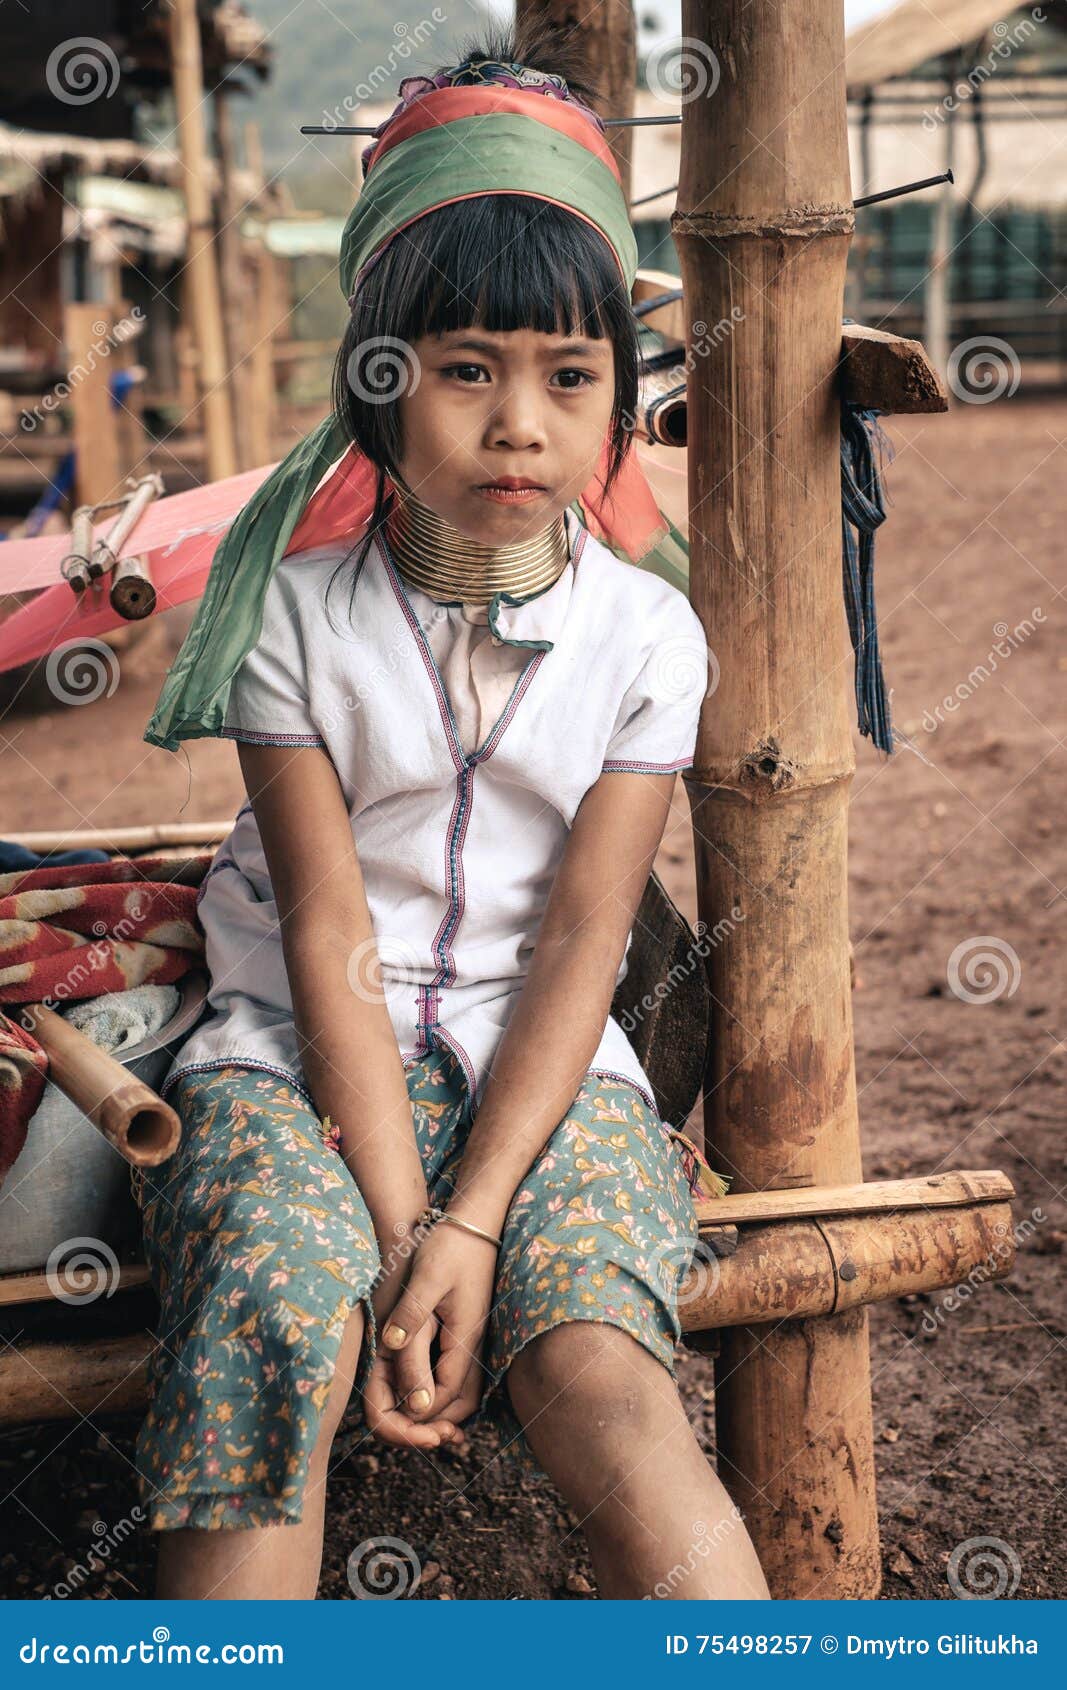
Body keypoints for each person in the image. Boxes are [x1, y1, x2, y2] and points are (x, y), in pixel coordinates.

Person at [133, 18, 770, 1603]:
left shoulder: (647, 640)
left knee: (600, 1361)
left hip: (552, 1072)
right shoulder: (293, 620)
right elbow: (332, 928)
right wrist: (403, 1222)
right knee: (276, 1310)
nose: (519, 423)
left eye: (571, 377)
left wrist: (474, 1225)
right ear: (375, 388)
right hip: (291, 1051)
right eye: (466, 369)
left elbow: (581, 937)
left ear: (623, 401)